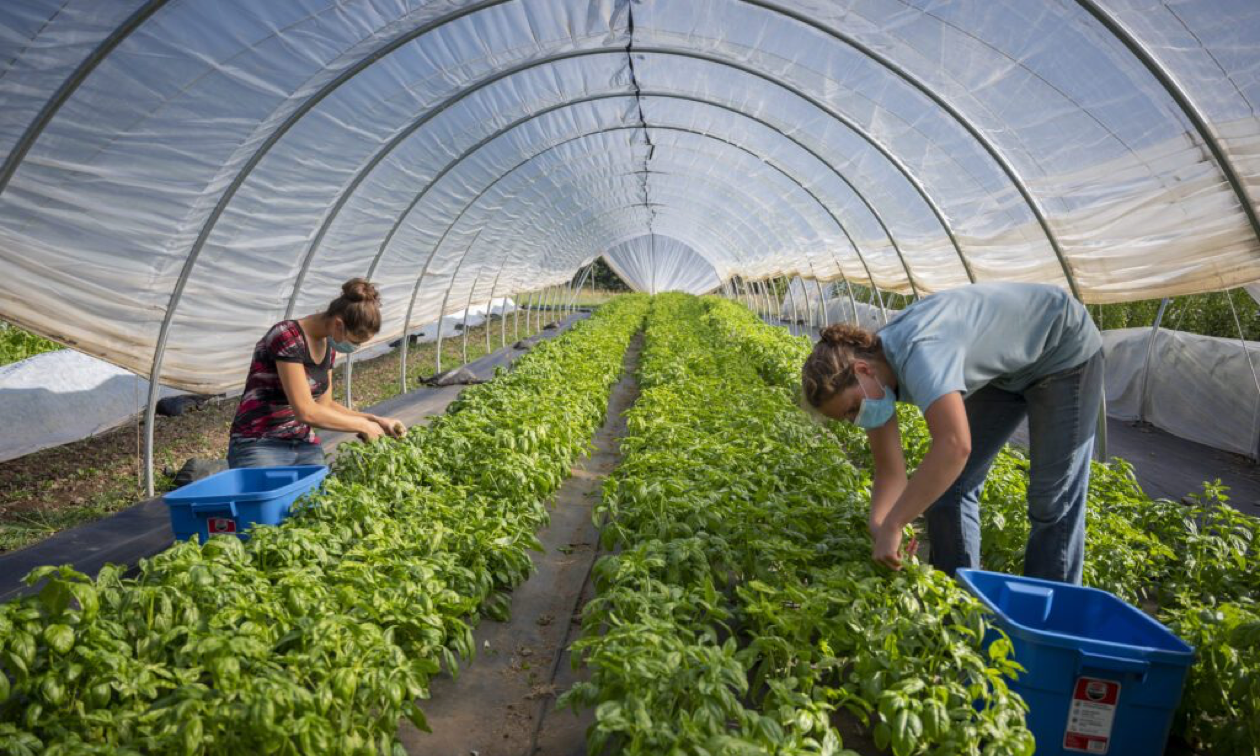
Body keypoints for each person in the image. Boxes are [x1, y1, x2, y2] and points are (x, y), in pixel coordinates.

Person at [801, 282, 1103, 584]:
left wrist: (896, 524)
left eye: (852, 407)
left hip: (1061, 346)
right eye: (847, 418)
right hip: (1007, 370)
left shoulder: (920, 352)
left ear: (863, 370)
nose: (856, 420)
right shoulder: (878, 379)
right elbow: (889, 472)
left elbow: (955, 445)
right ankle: (958, 605)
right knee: (948, 491)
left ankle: (1049, 619)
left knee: (1052, 499)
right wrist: (880, 527)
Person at [227, 278, 406, 468]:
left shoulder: (328, 345)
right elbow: (306, 412)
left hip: (302, 443)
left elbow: (324, 404)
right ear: (338, 325)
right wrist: (362, 426)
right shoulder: (287, 336)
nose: (354, 347)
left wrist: (375, 420)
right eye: (354, 341)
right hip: (260, 442)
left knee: (317, 497)